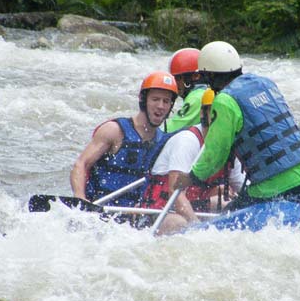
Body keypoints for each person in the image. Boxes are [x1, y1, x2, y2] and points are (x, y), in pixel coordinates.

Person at [174, 41, 300, 209]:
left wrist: (192, 177)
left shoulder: (225, 101)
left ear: (210, 75)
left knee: (231, 213)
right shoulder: (264, 83)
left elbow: (216, 153)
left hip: (277, 187)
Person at [139, 88, 246, 235]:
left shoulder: (227, 147)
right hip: (160, 212)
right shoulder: (187, 141)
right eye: (214, 113)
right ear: (203, 114)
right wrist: (199, 229)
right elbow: (176, 196)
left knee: (230, 204)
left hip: (194, 207)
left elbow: (244, 191)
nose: (220, 119)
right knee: (180, 223)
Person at [70, 71, 178, 207]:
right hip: (100, 211)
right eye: (155, 99)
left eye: (166, 101)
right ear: (143, 99)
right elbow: (81, 164)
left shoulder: (164, 142)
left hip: (136, 217)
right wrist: (80, 198)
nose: (161, 106)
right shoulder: (115, 131)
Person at [164, 48, 208, 132]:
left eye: (178, 78)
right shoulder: (205, 92)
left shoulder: (197, 98)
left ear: (196, 76)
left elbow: (169, 130)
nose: (175, 83)